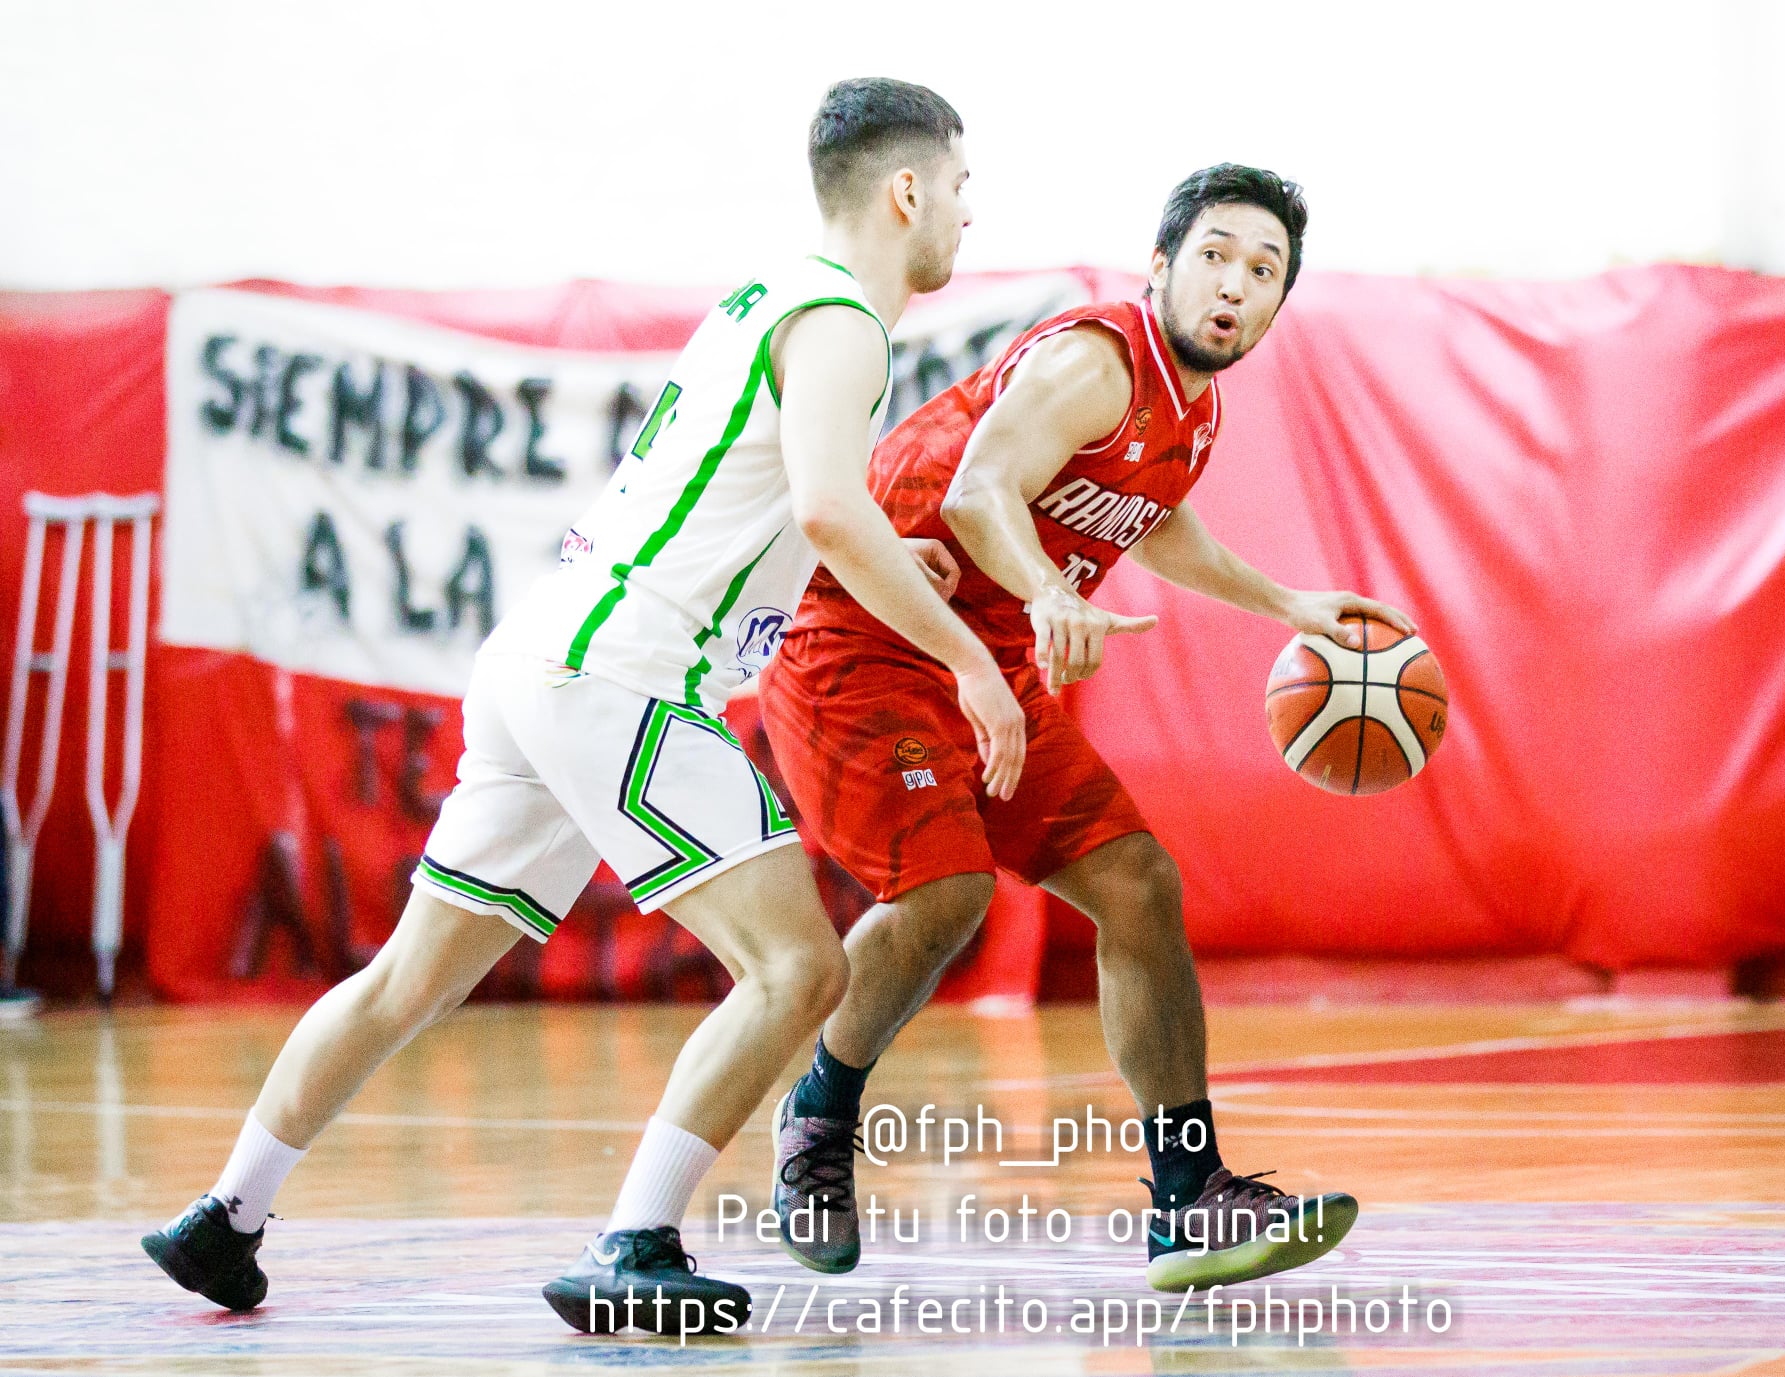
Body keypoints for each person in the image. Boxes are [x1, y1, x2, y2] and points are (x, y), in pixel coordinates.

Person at [141, 77, 1026, 1336]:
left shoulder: (762, 298)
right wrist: (972, 662)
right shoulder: (844, 321)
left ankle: (222, 1219)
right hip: (623, 667)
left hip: (543, 655)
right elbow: (826, 503)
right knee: (797, 964)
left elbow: (776, 505)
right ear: (907, 191)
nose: (964, 216)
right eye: (959, 189)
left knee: (409, 979)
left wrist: (888, 554)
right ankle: (638, 1242)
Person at [762, 164, 1416, 1292]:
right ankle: (816, 1120)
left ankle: (1188, 1200)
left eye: (1263, 271)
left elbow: (1154, 527)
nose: (1234, 285)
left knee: (1138, 886)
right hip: (863, 653)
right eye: (1214, 256)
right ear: (1159, 267)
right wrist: (1054, 597)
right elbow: (977, 493)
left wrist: (1291, 606)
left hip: (990, 667)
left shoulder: (1190, 405)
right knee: (948, 890)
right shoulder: (1094, 359)